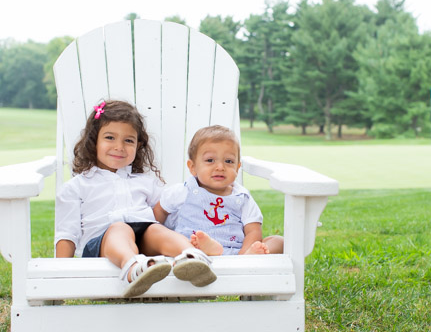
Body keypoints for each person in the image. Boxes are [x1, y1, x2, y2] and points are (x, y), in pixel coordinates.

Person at [55, 100, 216, 297]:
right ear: (93, 141)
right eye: (110, 137)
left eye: (128, 140)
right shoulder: (78, 186)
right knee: (120, 227)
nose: (119, 147)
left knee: (154, 228)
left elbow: (169, 216)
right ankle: (133, 268)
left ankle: (193, 259)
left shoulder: (146, 182)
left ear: (138, 145)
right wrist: (60, 275)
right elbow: (67, 234)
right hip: (102, 246)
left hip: (144, 244)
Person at [153, 125, 284, 256]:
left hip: (236, 252)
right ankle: (209, 249)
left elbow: (253, 231)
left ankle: (248, 256)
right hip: (192, 250)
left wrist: (243, 255)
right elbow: (159, 212)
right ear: (192, 167)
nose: (220, 167)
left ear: (237, 168)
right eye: (210, 160)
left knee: (279, 242)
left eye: (229, 161)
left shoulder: (242, 197)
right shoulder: (183, 191)